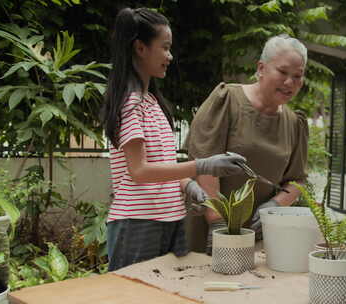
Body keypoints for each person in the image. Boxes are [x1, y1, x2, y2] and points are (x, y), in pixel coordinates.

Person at [101, 7, 247, 271]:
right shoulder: (130, 103)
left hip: (170, 218)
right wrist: (203, 166)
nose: (170, 56)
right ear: (140, 48)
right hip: (138, 223)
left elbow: (160, 164)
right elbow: (139, 171)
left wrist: (187, 185)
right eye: (165, 47)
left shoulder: (153, 102)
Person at [184, 34, 309, 254]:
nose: (290, 82)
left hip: (259, 237)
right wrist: (217, 222)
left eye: (298, 76)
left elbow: (297, 180)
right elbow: (203, 163)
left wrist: (275, 207)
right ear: (261, 68)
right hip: (208, 231)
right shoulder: (227, 100)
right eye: (282, 72)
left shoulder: (294, 123)